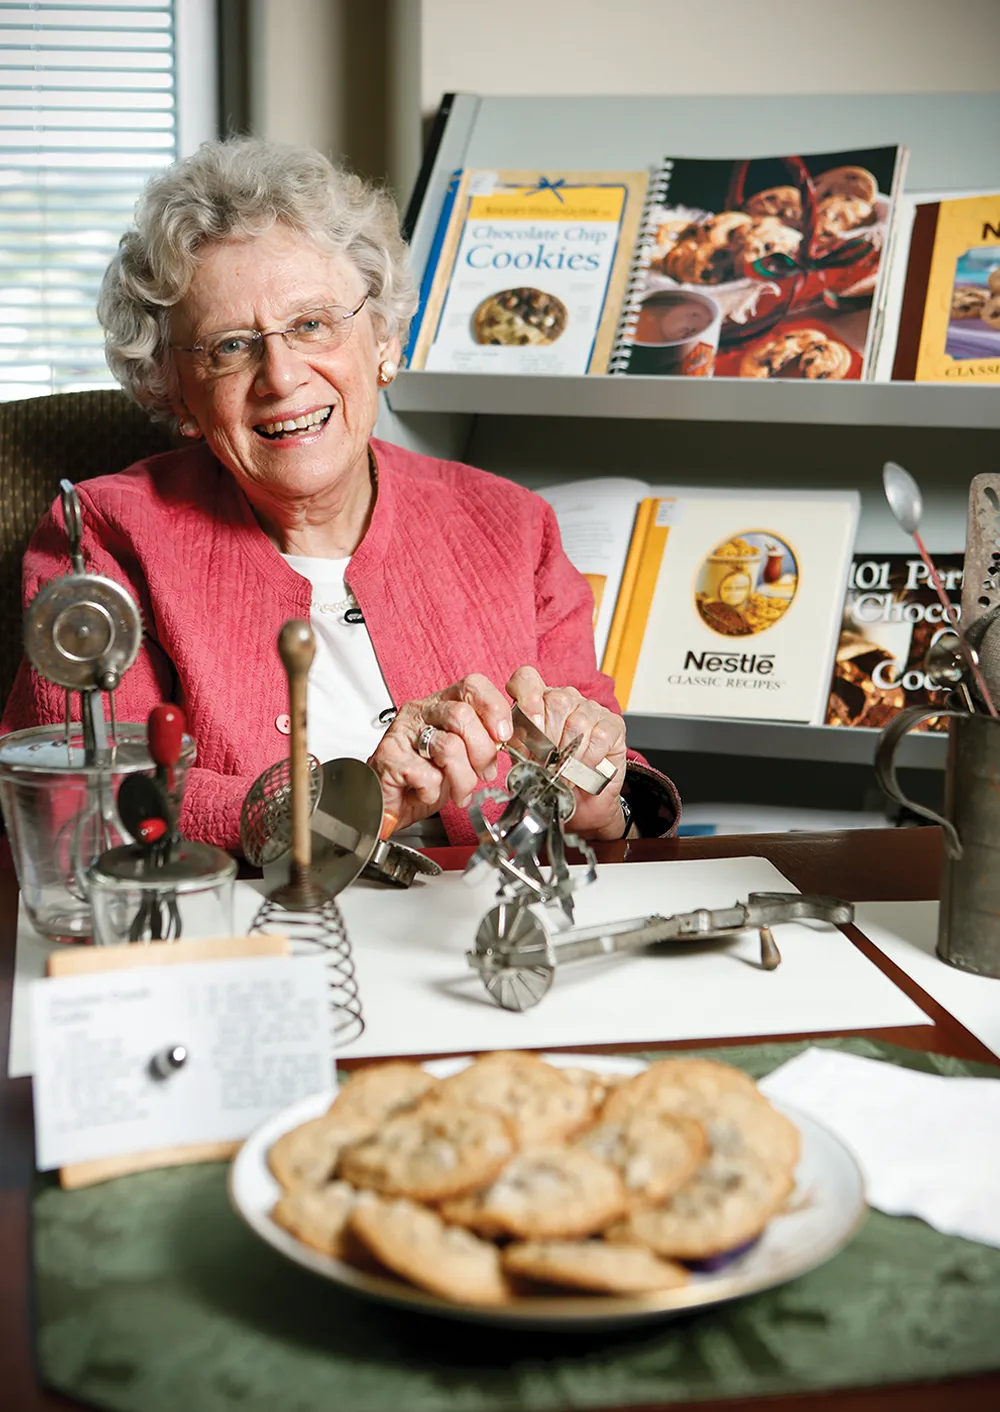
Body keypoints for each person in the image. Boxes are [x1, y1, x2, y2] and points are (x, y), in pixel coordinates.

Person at [1, 137, 679, 852]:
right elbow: (77, 795)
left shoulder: (512, 526)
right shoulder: (105, 535)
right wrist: (350, 804)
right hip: (251, 940)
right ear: (177, 395)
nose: (282, 376)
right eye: (230, 345)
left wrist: (601, 799)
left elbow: (610, 774)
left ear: (383, 339)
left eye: (312, 324)